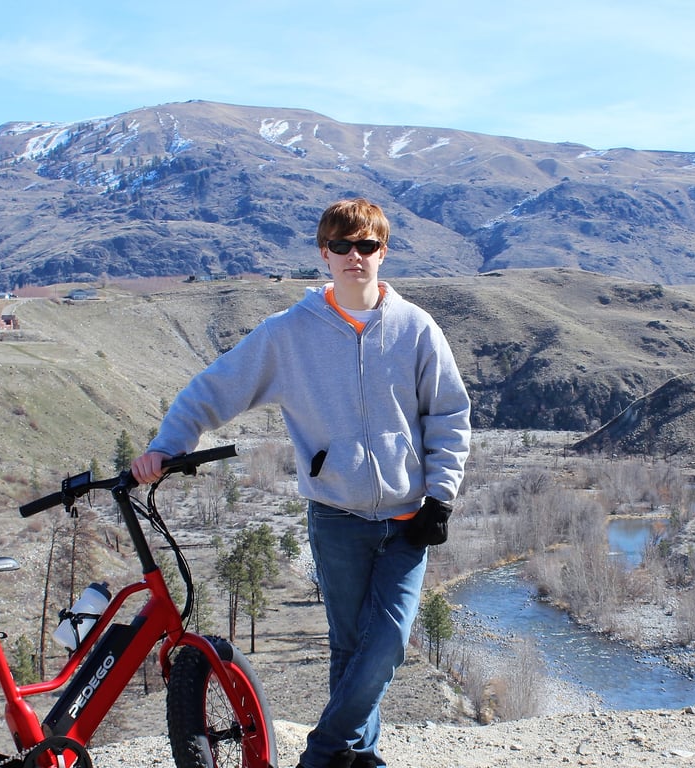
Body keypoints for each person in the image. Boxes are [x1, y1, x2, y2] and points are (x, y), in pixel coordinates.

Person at [131, 197, 471, 768]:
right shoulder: (288, 333)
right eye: (342, 246)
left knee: (385, 645)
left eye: (366, 246)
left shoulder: (416, 329)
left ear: (382, 252)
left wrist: (441, 495)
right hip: (336, 515)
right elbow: (215, 388)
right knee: (349, 647)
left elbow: (448, 414)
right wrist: (168, 444)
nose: (354, 256)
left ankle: (321, 754)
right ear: (325, 254)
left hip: (408, 516)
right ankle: (357, 757)